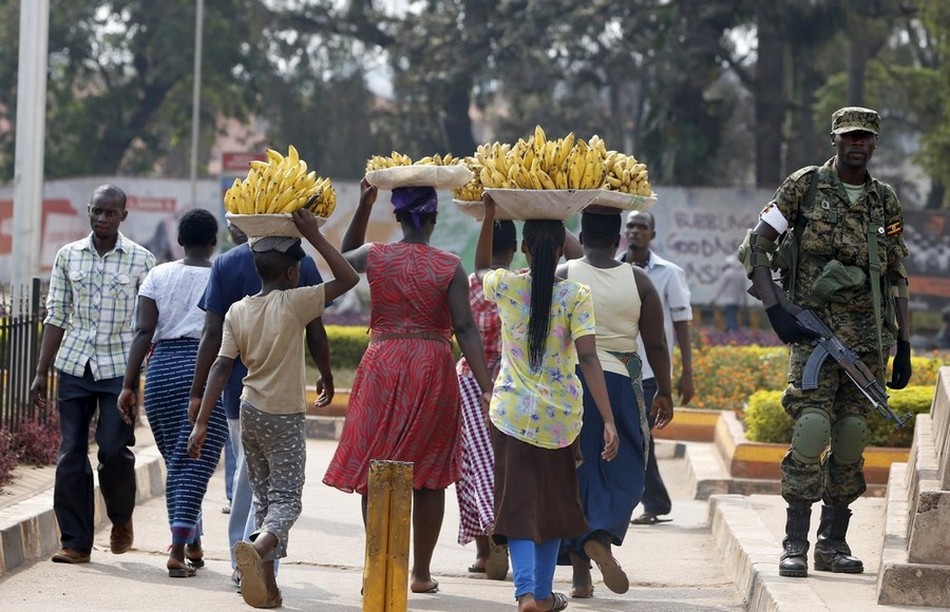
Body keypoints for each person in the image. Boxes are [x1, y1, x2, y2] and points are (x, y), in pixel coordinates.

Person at [737, 106, 912, 578]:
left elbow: (896, 275)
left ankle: (832, 543)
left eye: (866, 137)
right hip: (813, 333)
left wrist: (905, 344)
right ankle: (794, 542)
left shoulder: (885, 201)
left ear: (874, 143)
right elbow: (756, 246)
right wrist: (776, 309)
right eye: (850, 136)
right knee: (811, 427)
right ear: (835, 139)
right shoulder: (805, 186)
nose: (858, 143)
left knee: (852, 438)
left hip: (868, 343)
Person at [323, 181, 494, 595]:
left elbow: (343, 262)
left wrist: (363, 208)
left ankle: (378, 567)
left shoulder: (375, 256)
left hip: (382, 365)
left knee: (376, 469)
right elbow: (465, 327)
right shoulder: (449, 264)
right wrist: (487, 387)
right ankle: (419, 572)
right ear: (434, 219)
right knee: (431, 473)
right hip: (433, 369)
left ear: (397, 218)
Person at [188, 209, 359, 609]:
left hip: (249, 412)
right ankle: (257, 543)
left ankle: (269, 589)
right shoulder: (296, 303)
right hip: (284, 416)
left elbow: (221, 365)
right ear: (291, 274)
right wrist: (314, 235)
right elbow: (349, 279)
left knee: (263, 500)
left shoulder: (237, 311)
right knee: (288, 502)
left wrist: (199, 423)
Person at [474, 197, 619, 612]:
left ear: (522, 250)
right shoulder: (577, 294)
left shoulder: (506, 285)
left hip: (511, 415)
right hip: (560, 420)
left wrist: (489, 218)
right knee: (555, 505)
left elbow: (481, 266)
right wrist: (608, 420)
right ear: (562, 249)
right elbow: (589, 358)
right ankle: (540, 593)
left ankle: (527, 595)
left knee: (517, 503)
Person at [29, 184, 156, 564]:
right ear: (88, 211)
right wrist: (40, 371)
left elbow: (146, 325)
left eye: (110, 213)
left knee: (114, 450)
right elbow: (56, 315)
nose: (102, 219)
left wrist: (134, 381)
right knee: (70, 453)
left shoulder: (141, 260)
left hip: (119, 371)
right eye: (96, 211)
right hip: (74, 367)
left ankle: (120, 518)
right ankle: (76, 542)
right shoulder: (68, 256)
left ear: (123, 216)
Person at [557, 209, 673, 599]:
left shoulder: (563, 275)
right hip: (622, 385)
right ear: (617, 240)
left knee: (575, 473)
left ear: (583, 235)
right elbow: (655, 342)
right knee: (625, 467)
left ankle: (580, 577)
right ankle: (601, 535)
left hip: (571, 382)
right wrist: (666, 391)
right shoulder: (638, 281)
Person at [117, 208, 227, 577]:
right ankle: (178, 550)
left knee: (179, 463)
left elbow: (142, 332)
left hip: (162, 370)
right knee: (191, 463)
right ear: (214, 242)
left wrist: (129, 384)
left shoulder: (158, 275)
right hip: (209, 371)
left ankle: (192, 541)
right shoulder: (223, 275)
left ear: (180, 241)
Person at [621, 210, 695, 524]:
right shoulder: (611, 268)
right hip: (614, 366)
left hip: (650, 372)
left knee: (639, 437)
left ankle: (654, 501)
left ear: (652, 234)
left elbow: (681, 324)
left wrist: (686, 373)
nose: (636, 231)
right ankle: (649, 500)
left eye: (642, 227)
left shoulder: (669, 273)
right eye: (631, 226)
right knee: (626, 436)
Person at [456, 219, 517, 581]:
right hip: (512, 380)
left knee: (472, 466)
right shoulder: (520, 282)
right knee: (506, 464)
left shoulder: (469, 284)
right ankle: (505, 533)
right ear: (514, 249)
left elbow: (457, 329)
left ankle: (484, 550)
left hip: (470, 381)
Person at [712, 255, 749, 331]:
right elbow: (743, 289)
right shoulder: (740, 274)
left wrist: (715, 299)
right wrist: (745, 301)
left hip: (729, 300)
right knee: (733, 316)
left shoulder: (727, 273)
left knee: (731, 317)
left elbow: (721, 287)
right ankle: (730, 330)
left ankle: (733, 332)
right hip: (737, 300)